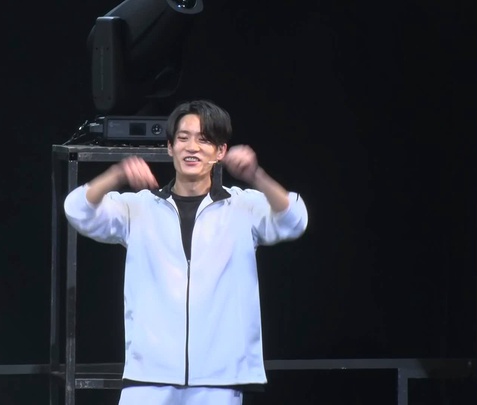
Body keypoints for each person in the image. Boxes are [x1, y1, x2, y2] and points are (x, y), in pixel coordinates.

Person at [64, 100, 309, 405]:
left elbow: (295, 220)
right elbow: (77, 210)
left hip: (219, 377)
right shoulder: (141, 207)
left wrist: (256, 175)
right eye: (183, 138)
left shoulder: (242, 207)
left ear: (220, 151)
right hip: (149, 374)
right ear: (170, 147)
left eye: (204, 140)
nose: (192, 147)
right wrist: (116, 174)